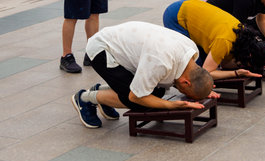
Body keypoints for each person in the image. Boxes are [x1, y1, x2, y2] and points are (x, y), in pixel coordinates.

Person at [71, 22, 215, 128]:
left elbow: (199, 78)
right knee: (135, 101)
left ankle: (105, 92)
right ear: (186, 83)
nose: (184, 94)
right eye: (186, 92)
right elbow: (135, 96)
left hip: (122, 46)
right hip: (102, 49)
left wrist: (203, 88)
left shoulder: (191, 49)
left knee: (156, 92)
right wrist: (171, 105)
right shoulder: (161, 62)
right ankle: (85, 98)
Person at [163, 0, 265, 79]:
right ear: (250, 55)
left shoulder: (244, 36)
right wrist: (237, 73)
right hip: (176, 16)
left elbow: (224, 62)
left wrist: (262, 54)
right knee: (196, 69)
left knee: (205, 60)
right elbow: (207, 72)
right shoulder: (224, 41)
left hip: (191, 7)